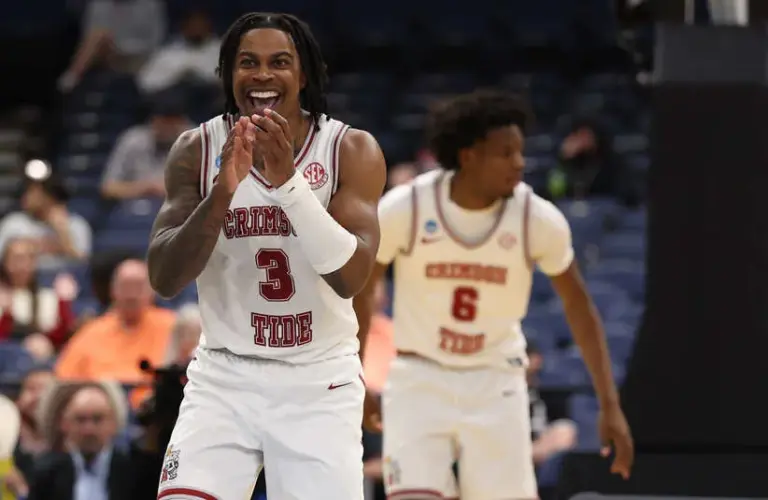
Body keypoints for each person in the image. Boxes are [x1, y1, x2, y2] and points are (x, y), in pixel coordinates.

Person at [146, 12, 386, 500]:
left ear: (303, 75)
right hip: (224, 374)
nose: (261, 75)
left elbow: (351, 276)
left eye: (279, 62)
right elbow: (165, 277)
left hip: (318, 380)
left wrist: (289, 186)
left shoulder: (349, 148)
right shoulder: (197, 148)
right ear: (227, 74)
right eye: (246, 62)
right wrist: (220, 196)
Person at [355, 90, 634, 500]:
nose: (520, 163)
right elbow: (361, 293)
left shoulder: (536, 217)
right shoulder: (406, 208)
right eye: (506, 153)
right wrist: (354, 377)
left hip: (497, 380)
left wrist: (610, 404)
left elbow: (580, 308)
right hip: (419, 379)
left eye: (520, 152)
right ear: (468, 156)